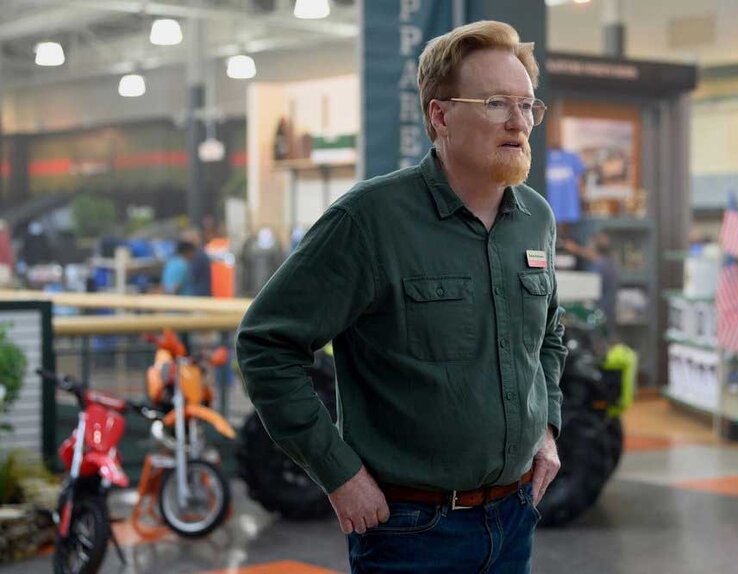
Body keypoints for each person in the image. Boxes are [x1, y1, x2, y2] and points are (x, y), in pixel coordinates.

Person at [237, 20, 566, 573]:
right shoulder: (369, 221)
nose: (518, 122)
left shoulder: (536, 218)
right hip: (411, 531)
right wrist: (339, 473)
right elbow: (267, 345)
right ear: (439, 116)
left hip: (513, 520)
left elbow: (549, 334)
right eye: (495, 103)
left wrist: (548, 429)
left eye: (528, 105)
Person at [564, 231, 619, 335]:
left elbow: (587, 290)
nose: (587, 248)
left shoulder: (599, 267)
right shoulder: (610, 263)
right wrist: (576, 249)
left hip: (599, 314)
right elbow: (589, 254)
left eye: (589, 245)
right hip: (609, 312)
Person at [181, 229, 212, 297]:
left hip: (201, 296)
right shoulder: (199, 254)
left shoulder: (198, 256)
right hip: (201, 294)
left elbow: (191, 275)